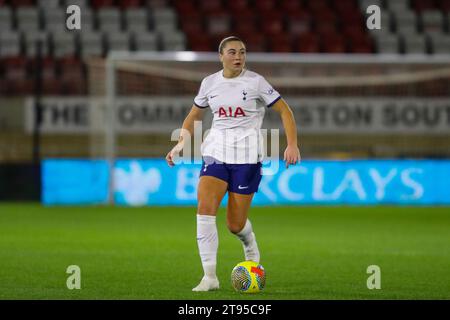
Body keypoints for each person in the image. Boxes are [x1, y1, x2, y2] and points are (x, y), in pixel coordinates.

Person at [166, 36, 301, 291]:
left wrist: (291, 144)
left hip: (247, 158)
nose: (238, 56)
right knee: (205, 210)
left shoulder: (256, 82)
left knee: (234, 224)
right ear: (221, 56)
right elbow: (194, 114)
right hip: (215, 153)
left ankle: (249, 244)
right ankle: (210, 277)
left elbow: (285, 110)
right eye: (232, 52)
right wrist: (180, 144)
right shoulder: (209, 83)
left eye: (242, 52)